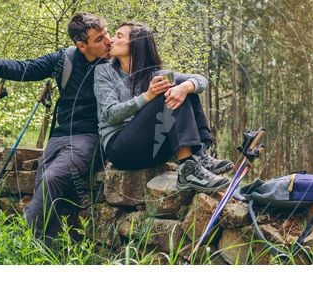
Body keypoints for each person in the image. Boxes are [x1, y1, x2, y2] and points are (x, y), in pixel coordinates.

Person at [0, 13, 111, 244]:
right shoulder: (65, 59)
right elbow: (27, 68)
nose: (108, 41)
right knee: (44, 182)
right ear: (81, 45)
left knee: (53, 177)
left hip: (91, 136)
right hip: (61, 135)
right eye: (100, 39)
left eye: (107, 34)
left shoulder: (117, 61)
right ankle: (46, 250)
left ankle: (22, 242)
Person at [94, 21, 232, 193]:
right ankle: (188, 171)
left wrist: (185, 87)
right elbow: (111, 114)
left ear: (136, 44)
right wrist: (147, 96)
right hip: (121, 151)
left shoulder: (154, 75)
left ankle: (199, 156)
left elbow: (200, 80)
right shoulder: (104, 71)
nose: (112, 40)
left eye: (119, 36)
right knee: (166, 96)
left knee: (184, 90)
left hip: (153, 151)